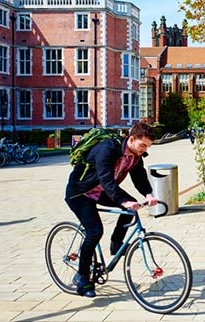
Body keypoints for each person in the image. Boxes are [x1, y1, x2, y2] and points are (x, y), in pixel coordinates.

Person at [65, 122, 158, 298]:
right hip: (80, 192)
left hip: (101, 191)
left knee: (131, 209)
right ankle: (82, 277)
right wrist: (123, 201)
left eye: (148, 146)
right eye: (143, 145)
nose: (144, 149)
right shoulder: (107, 149)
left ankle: (116, 245)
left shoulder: (135, 156)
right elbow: (106, 179)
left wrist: (148, 194)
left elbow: (139, 177)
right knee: (95, 231)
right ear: (131, 139)